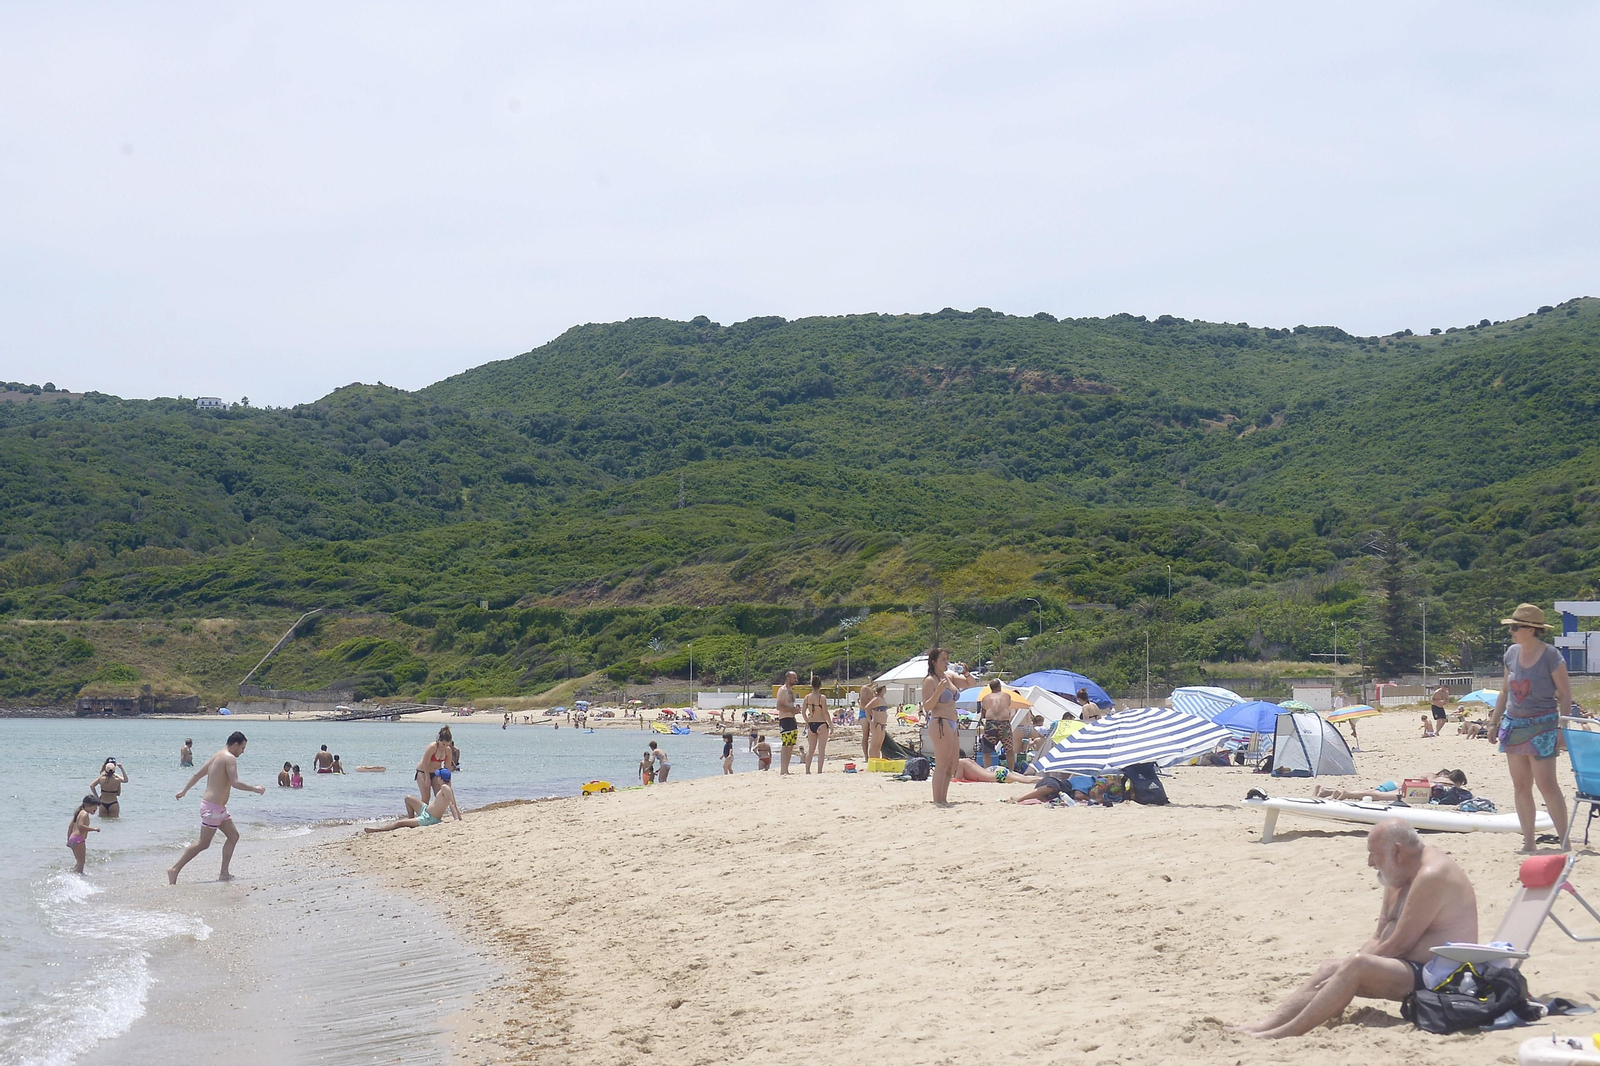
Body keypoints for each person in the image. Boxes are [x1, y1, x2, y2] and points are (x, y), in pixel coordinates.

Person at [1234, 819, 1478, 1038]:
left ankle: (1286, 1032)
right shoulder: (1398, 873)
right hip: (1412, 969)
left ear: (1397, 852)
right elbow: (1378, 935)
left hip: (1441, 978)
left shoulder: (1432, 875)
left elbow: (1401, 944)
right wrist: (1343, 969)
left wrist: (1351, 969)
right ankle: (1266, 1025)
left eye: (1374, 854)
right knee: (1332, 966)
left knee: (1353, 966)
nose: (1370, 862)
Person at [1488, 603, 1572, 852]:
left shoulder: (1550, 656)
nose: (1511, 631)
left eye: (1515, 627)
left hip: (1543, 725)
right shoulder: (1511, 653)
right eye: (1511, 627)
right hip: (1514, 725)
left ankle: (1564, 841)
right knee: (1520, 786)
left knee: (1547, 784)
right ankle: (1528, 841)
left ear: (1532, 629)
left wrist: (1562, 729)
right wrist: (1494, 722)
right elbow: (1504, 691)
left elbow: (1566, 694)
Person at [168, 731, 266, 884]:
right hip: (212, 809)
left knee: (233, 836)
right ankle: (174, 869)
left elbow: (197, 775)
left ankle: (224, 873)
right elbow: (235, 782)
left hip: (217, 808)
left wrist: (184, 791)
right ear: (235, 744)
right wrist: (255, 789)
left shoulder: (217, 755)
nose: (243, 751)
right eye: (242, 748)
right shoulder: (230, 758)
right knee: (203, 843)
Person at [921, 648, 979, 805]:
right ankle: (937, 799)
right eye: (943, 659)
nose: (947, 662)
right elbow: (927, 706)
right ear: (934, 662)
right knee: (942, 762)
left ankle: (943, 798)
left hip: (953, 722)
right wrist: (938, 691)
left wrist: (966, 672)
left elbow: (971, 684)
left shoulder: (950, 677)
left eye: (947, 659)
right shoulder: (930, 681)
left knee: (952, 763)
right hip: (940, 721)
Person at [364, 769, 462, 832]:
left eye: (438, 776)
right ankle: (411, 821)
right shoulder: (446, 788)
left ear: (441, 778)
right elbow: (454, 804)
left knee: (400, 823)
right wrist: (460, 818)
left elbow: (452, 804)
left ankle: (376, 830)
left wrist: (456, 819)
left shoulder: (445, 787)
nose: (436, 778)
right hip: (426, 810)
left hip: (429, 818)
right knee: (408, 798)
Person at [978, 679, 1013, 768]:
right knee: (1009, 748)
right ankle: (1011, 770)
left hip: (991, 724)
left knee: (986, 751)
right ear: (1000, 687)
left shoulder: (985, 698)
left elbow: (983, 714)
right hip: (1004, 724)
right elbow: (1007, 706)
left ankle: (987, 770)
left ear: (990, 688)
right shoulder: (1007, 696)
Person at [414, 727, 453, 805]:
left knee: (440, 794)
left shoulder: (448, 750)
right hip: (423, 772)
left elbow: (448, 766)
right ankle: (422, 815)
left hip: (436, 773)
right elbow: (425, 763)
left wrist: (448, 780)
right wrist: (427, 778)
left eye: (447, 744)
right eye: (443, 744)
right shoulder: (432, 747)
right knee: (426, 797)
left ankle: (436, 813)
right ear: (439, 740)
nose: (444, 746)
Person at [801, 677, 830, 773]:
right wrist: (831, 724)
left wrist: (807, 722)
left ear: (811, 685)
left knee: (811, 749)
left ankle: (807, 770)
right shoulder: (822, 698)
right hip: (821, 724)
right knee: (821, 750)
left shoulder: (807, 697)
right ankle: (819, 771)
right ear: (820, 686)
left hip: (811, 724)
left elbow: (803, 712)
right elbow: (825, 713)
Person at [67, 795, 101, 874]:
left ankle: (72, 876)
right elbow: (81, 827)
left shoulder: (79, 813)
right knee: (81, 863)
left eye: (97, 806)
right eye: (94, 806)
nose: (96, 808)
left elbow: (70, 826)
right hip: (78, 839)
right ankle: (79, 879)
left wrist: (68, 840)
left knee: (78, 862)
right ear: (87, 805)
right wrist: (94, 829)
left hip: (73, 839)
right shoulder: (84, 814)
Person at [776, 671, 800, 775]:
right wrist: (791, 710)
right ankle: (783, 770)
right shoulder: (782, 690)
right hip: (785, 720)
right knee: (786, 744)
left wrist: (795, 710)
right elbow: (779, 706)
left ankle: (786, 769)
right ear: (788, 678)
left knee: (791, 745)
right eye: (794, 678)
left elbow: (789, 706)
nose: (796, 679)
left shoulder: (790, 691)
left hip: (791, 719)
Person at [951, 757, 1040, 784]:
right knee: (1025, 778)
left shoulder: (960, 764)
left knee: (1026, 780)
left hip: (997, 775)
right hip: (995, 770)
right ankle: (1044, 778)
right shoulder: (966, 761)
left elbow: (958, 780)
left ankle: (1046, 780)